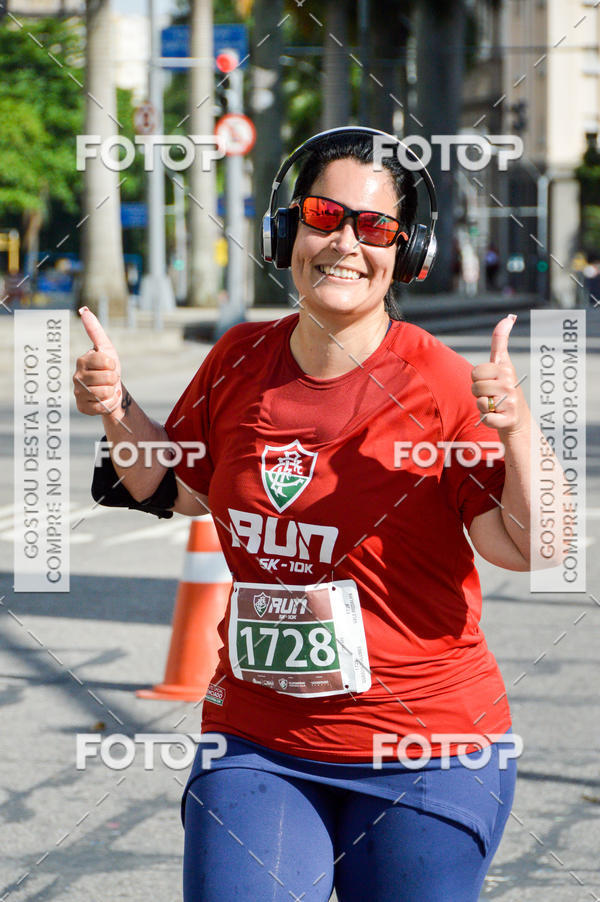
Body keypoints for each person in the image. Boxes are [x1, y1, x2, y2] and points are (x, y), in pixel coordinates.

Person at [74, 128, 541, 902]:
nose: (347, 243)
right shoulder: (238, 360)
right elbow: (175, 489)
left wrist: (518, 430)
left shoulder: (442, 382)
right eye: (325, 216)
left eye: (377, 226)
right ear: (288, 230)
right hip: (259, 742)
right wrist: (116, 409)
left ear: (407, 250)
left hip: (428, 749)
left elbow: (527, 546)